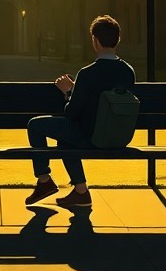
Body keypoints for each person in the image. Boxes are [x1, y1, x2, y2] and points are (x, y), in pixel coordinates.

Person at [24, 14, 136, 208]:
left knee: (35, 125)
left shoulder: (87, 73)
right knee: (65, 139)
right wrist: (79, 90)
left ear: (95, 41)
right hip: (119, 137)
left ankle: (44, 180)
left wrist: (69, 91)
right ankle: (80, 192)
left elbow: (71, 114)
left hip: (90, 136)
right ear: (117, 39)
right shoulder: (128, 71)